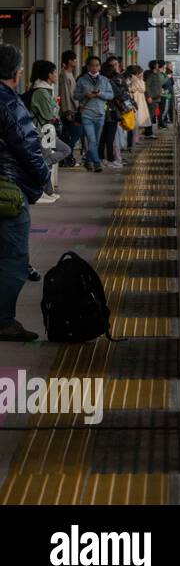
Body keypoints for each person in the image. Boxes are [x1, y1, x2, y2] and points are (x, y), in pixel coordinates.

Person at [0, 43, 51, 342]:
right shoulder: (9, 102)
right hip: (7, 192)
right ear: (16, 73)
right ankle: (4, 321)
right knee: (13, 259)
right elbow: (28, 147)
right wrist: (44, 177)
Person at [25, 60, 62, 204]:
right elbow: (49, 114)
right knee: (47, 160)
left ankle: (47, 191)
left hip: (46, 130)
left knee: (49, 160)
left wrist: (54, 107)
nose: (56, 75)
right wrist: (56, 106)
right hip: (41, 131)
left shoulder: (46, 90)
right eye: (54, 72)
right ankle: (42, 192)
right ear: (48, 75)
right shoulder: (41, 91)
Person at [73, 56, 114, 172]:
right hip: (86, 113)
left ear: (100, 67)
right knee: (92, 140)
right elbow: (75, 95)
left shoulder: (105, 80)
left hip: (100, 114)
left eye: (97, 65)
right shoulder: (82, 80)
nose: (94, 67)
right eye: (92, 65)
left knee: (95, 140)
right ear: (87, 67)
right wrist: (85, 95)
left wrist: (100, 94)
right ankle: (97, 163)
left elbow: (111, 95)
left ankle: (88, 161)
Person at [57, 50, 80, 168]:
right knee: (73, 134)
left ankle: (67, 157)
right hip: (69, 111)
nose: (76, 61)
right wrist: (67, 111)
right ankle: (65, 157)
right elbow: (65, 94)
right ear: (70, 61)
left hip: (74, 109)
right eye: (74, 59)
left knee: (70, 135)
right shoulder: (64, 75)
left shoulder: (70, 74)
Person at [127, 65, 151, 141]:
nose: (142, 74)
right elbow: (142, 89)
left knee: (135, 121)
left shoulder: (132, 79)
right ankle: (135, 139)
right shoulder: (137, 80)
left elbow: (132, 89)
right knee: (136, 121)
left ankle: (135, 138)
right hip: (138, 102)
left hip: (136, 101)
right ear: (137, 73)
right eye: (141, 73)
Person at [145, 60, 163, 136]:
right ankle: (149, 132)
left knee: (152, 115)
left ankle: (149, 132)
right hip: (152, 98)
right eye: (157, 64)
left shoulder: (157, 74)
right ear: (154, 66)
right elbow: (147, 86)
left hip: (156, 98)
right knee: (150, 115)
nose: (158, 65)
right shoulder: (151, 75)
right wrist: (148, 96)